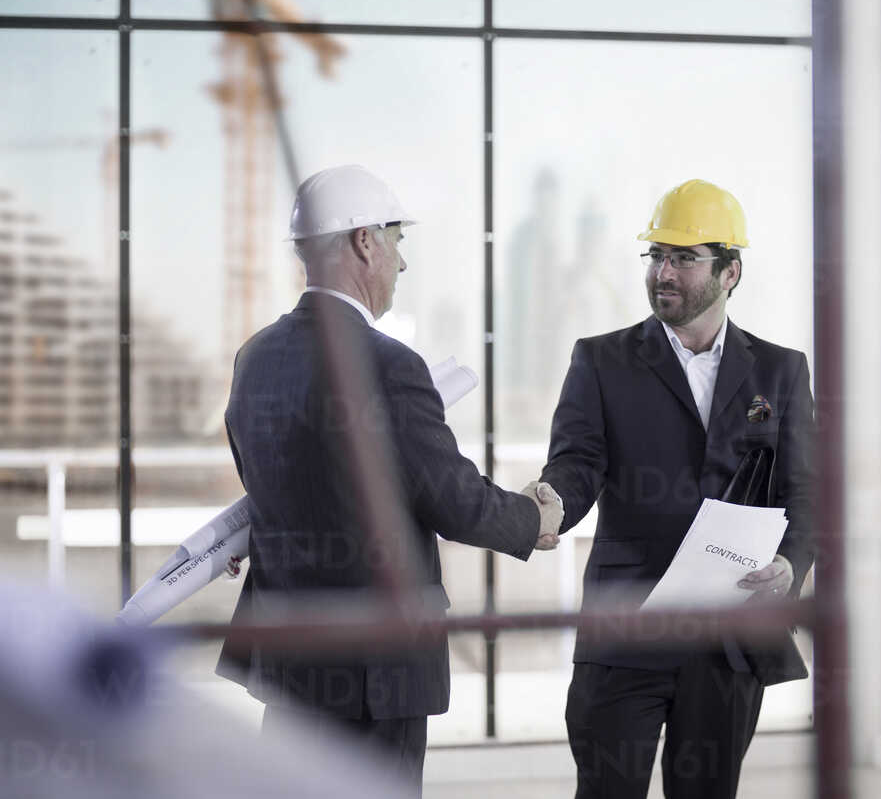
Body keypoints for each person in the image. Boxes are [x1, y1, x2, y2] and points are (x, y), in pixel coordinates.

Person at [216, 165, 562, 793]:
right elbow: (451, 497)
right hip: (375, 671)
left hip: (289, 658)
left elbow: (265, 481)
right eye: (397, 241)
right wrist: (531, 519)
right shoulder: (388, 365)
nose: (402, 263)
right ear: (364, 241)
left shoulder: (254, 359)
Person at [538, 179, 816, 799]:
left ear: (730, 273)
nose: (663, 272)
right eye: (657, 256)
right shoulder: (600, 361)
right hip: (625, 632)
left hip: (725, 642)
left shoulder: (781, 371)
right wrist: (553, 501)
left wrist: (790, 566)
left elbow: (805, 494)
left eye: (683, 258)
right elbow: (576, 463)